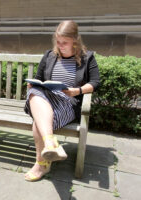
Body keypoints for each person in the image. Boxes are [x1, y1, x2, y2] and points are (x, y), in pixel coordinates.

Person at [24, 20, 100, 181]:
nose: (60, 45)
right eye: (58, 42)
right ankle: (50, 144)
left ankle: (42, 164)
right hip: (46, 101)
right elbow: (38, 78)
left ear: (75, 40)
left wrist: (76, 91)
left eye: (64, 42)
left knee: (38, 123)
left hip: (67, 104)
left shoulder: (88, 58)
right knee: (35, 91)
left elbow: (95, 83)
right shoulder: (49, 56)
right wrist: (33, 83)